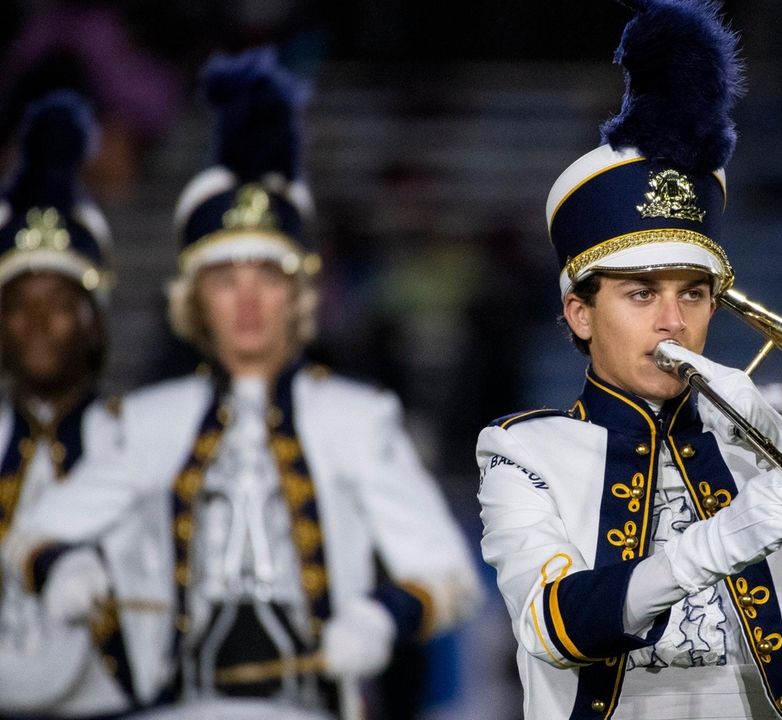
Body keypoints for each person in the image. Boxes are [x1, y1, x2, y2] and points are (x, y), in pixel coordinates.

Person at [475, 2, 782, 718]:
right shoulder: (522, 450)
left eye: (693, 293)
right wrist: (728, 536)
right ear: (580, 313)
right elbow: (552, 626)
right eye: (640, 293)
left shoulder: (754, 440)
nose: (673, 320)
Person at [6, 48, 480, 720]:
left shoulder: (357, 418)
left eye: (268, 279)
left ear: (298, 294)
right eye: (228, 281)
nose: (250, 303)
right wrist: (65, 568)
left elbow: (447, 572)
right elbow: (35, 535)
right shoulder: (146, 423)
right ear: (198, 299)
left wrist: (381, 615)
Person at [0, 90, 135, 718]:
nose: (38, 325)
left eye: (58, 305)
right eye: (19, 306)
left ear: (94, 322)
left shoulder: (140, 440)